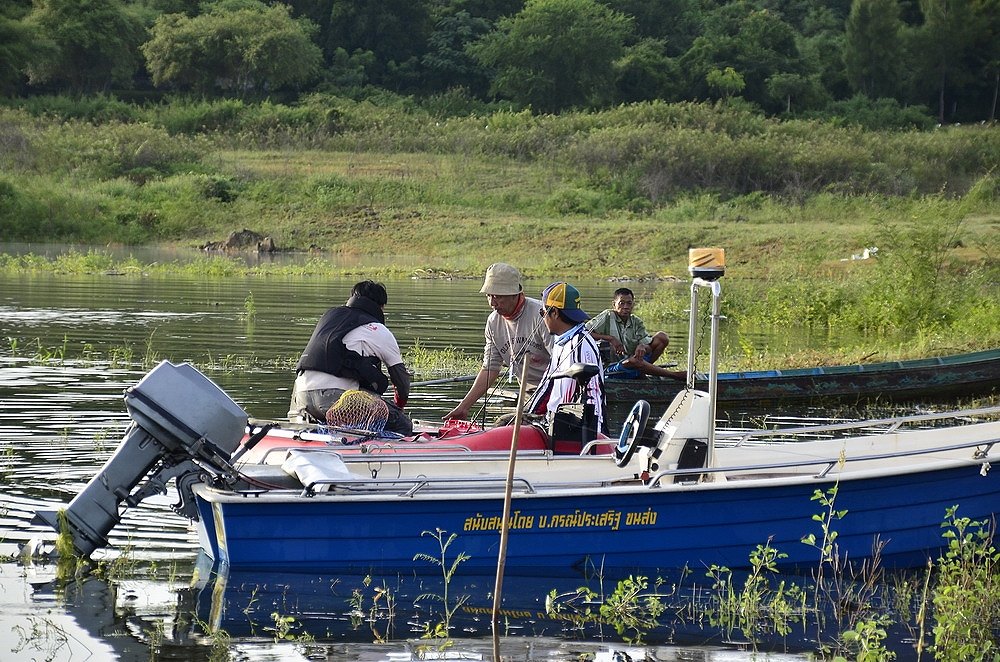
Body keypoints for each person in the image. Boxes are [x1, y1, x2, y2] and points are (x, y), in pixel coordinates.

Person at [288, 280, 413, 435]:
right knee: (403, 425)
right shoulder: (378, 329)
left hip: (300, 398)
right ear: (381, 306)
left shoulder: (329, 319)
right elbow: (401, 382)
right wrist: (398, 407)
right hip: (336, 400)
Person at [444, 263, 553, 422]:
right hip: (528, 396)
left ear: (515, 294)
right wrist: (464, 407)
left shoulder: (542, 315)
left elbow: (561, 363)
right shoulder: (493, 323)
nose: (492, 303)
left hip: (555, 393)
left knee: (505, 423)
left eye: (498, 296)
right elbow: (490, 368)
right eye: (489, 296)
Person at [526, 282, 606, 434]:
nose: (542, 318)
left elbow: (593, 397)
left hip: (573, 431)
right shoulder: (560, 341)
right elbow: (547, 384)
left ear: (554, 312)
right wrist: (528, 415)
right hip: (553, 423)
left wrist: (595, 442)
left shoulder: (581, 344)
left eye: (543, 313)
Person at [586, 287, 672, 379]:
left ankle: (643, 370)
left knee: (662, 337)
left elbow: (648, 346)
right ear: (614, 304)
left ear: (633, 305)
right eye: (621, 303)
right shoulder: (607, 316)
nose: (625, 307)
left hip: (634, 362)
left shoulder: (636, 321)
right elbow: (584, 333)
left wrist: (642, 346)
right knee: (632, 362)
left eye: (629, 303)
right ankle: (674, 375)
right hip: (612, 367)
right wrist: (610, 338)